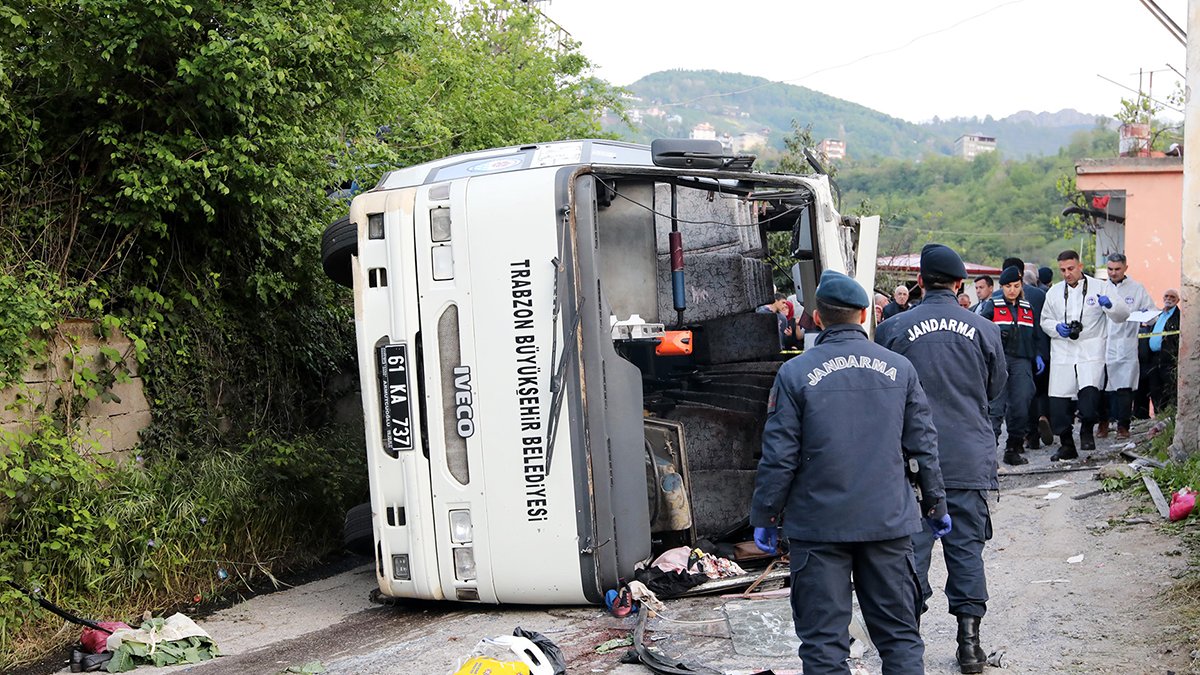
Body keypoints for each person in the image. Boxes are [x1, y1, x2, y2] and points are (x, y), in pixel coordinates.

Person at [750, 269, 948, 675]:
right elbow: (923, 446)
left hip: (819, 525)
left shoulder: (794, 374)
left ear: (818, 318)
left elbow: (780, 455)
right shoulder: (900, 369)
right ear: (863, 314)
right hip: (887, 522)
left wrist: (766, 516)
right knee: (899, 636)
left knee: (823, 642)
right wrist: (936, 505)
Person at [875, 243, 1006, 675]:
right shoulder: (983, 328)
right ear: (959, 284)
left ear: (919, 283)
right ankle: (970, 648)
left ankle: (906, 647)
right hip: (967, 457)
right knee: (966, 550)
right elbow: (994, 387)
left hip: (909, 461)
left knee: (910, 553)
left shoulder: (894, 328)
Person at [1040, 250, 1129, 460]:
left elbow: (1123, 314)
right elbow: (1045, 320)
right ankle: (1067, 445)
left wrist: (1110, 305)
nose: (1067, 273)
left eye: (1071, 268)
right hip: (1063, 351)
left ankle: (1087, 429)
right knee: (1059, 403)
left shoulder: (1100, 286)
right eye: (1062, 270)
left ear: (1080, 266)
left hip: (1090, 350)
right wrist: (1056, 327)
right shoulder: (1053, 293)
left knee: (1089, 403)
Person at [979, 266, 1040, 466]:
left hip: (1022, 361)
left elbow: (1035, 335)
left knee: (1022, 405)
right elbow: (980, 333)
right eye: (1007, 286)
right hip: (999, 360)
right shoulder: (992, 305)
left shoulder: (1027, 307)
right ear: (1001, 287)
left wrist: (1037, 355)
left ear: (1021, 285)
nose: (1012, 290)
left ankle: (1013, 449)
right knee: (995, 408)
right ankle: (988, 455)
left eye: (1016, 285)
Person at [1100, 253, 1156, 439]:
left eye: (1117, 269)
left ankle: (1123, 426)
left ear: (1125, 268)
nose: (1113, 273)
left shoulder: (1136, 288)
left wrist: (1144, 314)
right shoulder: (1101, 287)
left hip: (1126, 342)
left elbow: (1152, 313)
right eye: (1110, 269)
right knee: (1103, 387)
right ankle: (1103, 423)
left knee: (1124, 387)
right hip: (1104, 343)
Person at [1144, 288, 1181, 412]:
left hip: (1168, 358)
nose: (1169, 299)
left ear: (1177, 301)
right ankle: (1158, 414)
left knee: (1169, 387)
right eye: (1167, 296)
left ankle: (1170, 415)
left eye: (1172, 297)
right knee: (1155, 388)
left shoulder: (1178, 317)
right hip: (1154, 358)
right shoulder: (1158, 315)